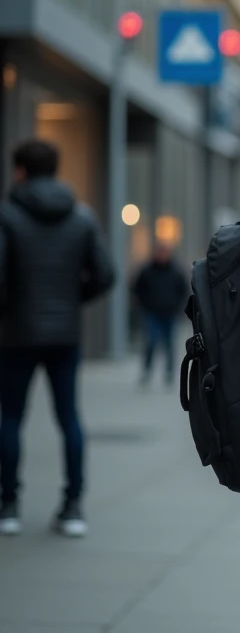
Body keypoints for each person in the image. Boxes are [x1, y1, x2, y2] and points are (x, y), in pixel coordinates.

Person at [0, 139, 114, 537]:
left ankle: (9, 506)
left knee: (11, 417)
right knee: (69, 417)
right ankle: (73, 507)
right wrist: (70, 300)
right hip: (65, 334)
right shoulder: (80, 217)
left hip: (16, 334)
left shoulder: (8, 215)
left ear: (20, 170)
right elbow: (105, 274)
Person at [133, 241, 190, 388]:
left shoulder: (176, 271)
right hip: (152, 313)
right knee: (151, 343)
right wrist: (145, 305)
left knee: (169, 344)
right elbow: (137, 289)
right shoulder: (147, 271)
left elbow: (183, 291)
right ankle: (147, 371)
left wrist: (177, 307)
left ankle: (169, 373)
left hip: (170, 314)